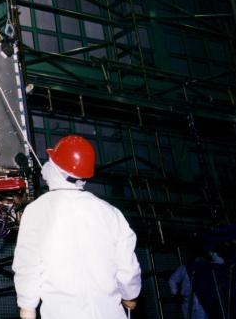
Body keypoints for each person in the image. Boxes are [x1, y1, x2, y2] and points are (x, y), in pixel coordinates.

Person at [12, 135, 142, 319]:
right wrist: (130, 295)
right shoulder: (110, 212)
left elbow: (27, 265)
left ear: (56, 169)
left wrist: (27, 307)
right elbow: (128, 267)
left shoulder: (36, 211)